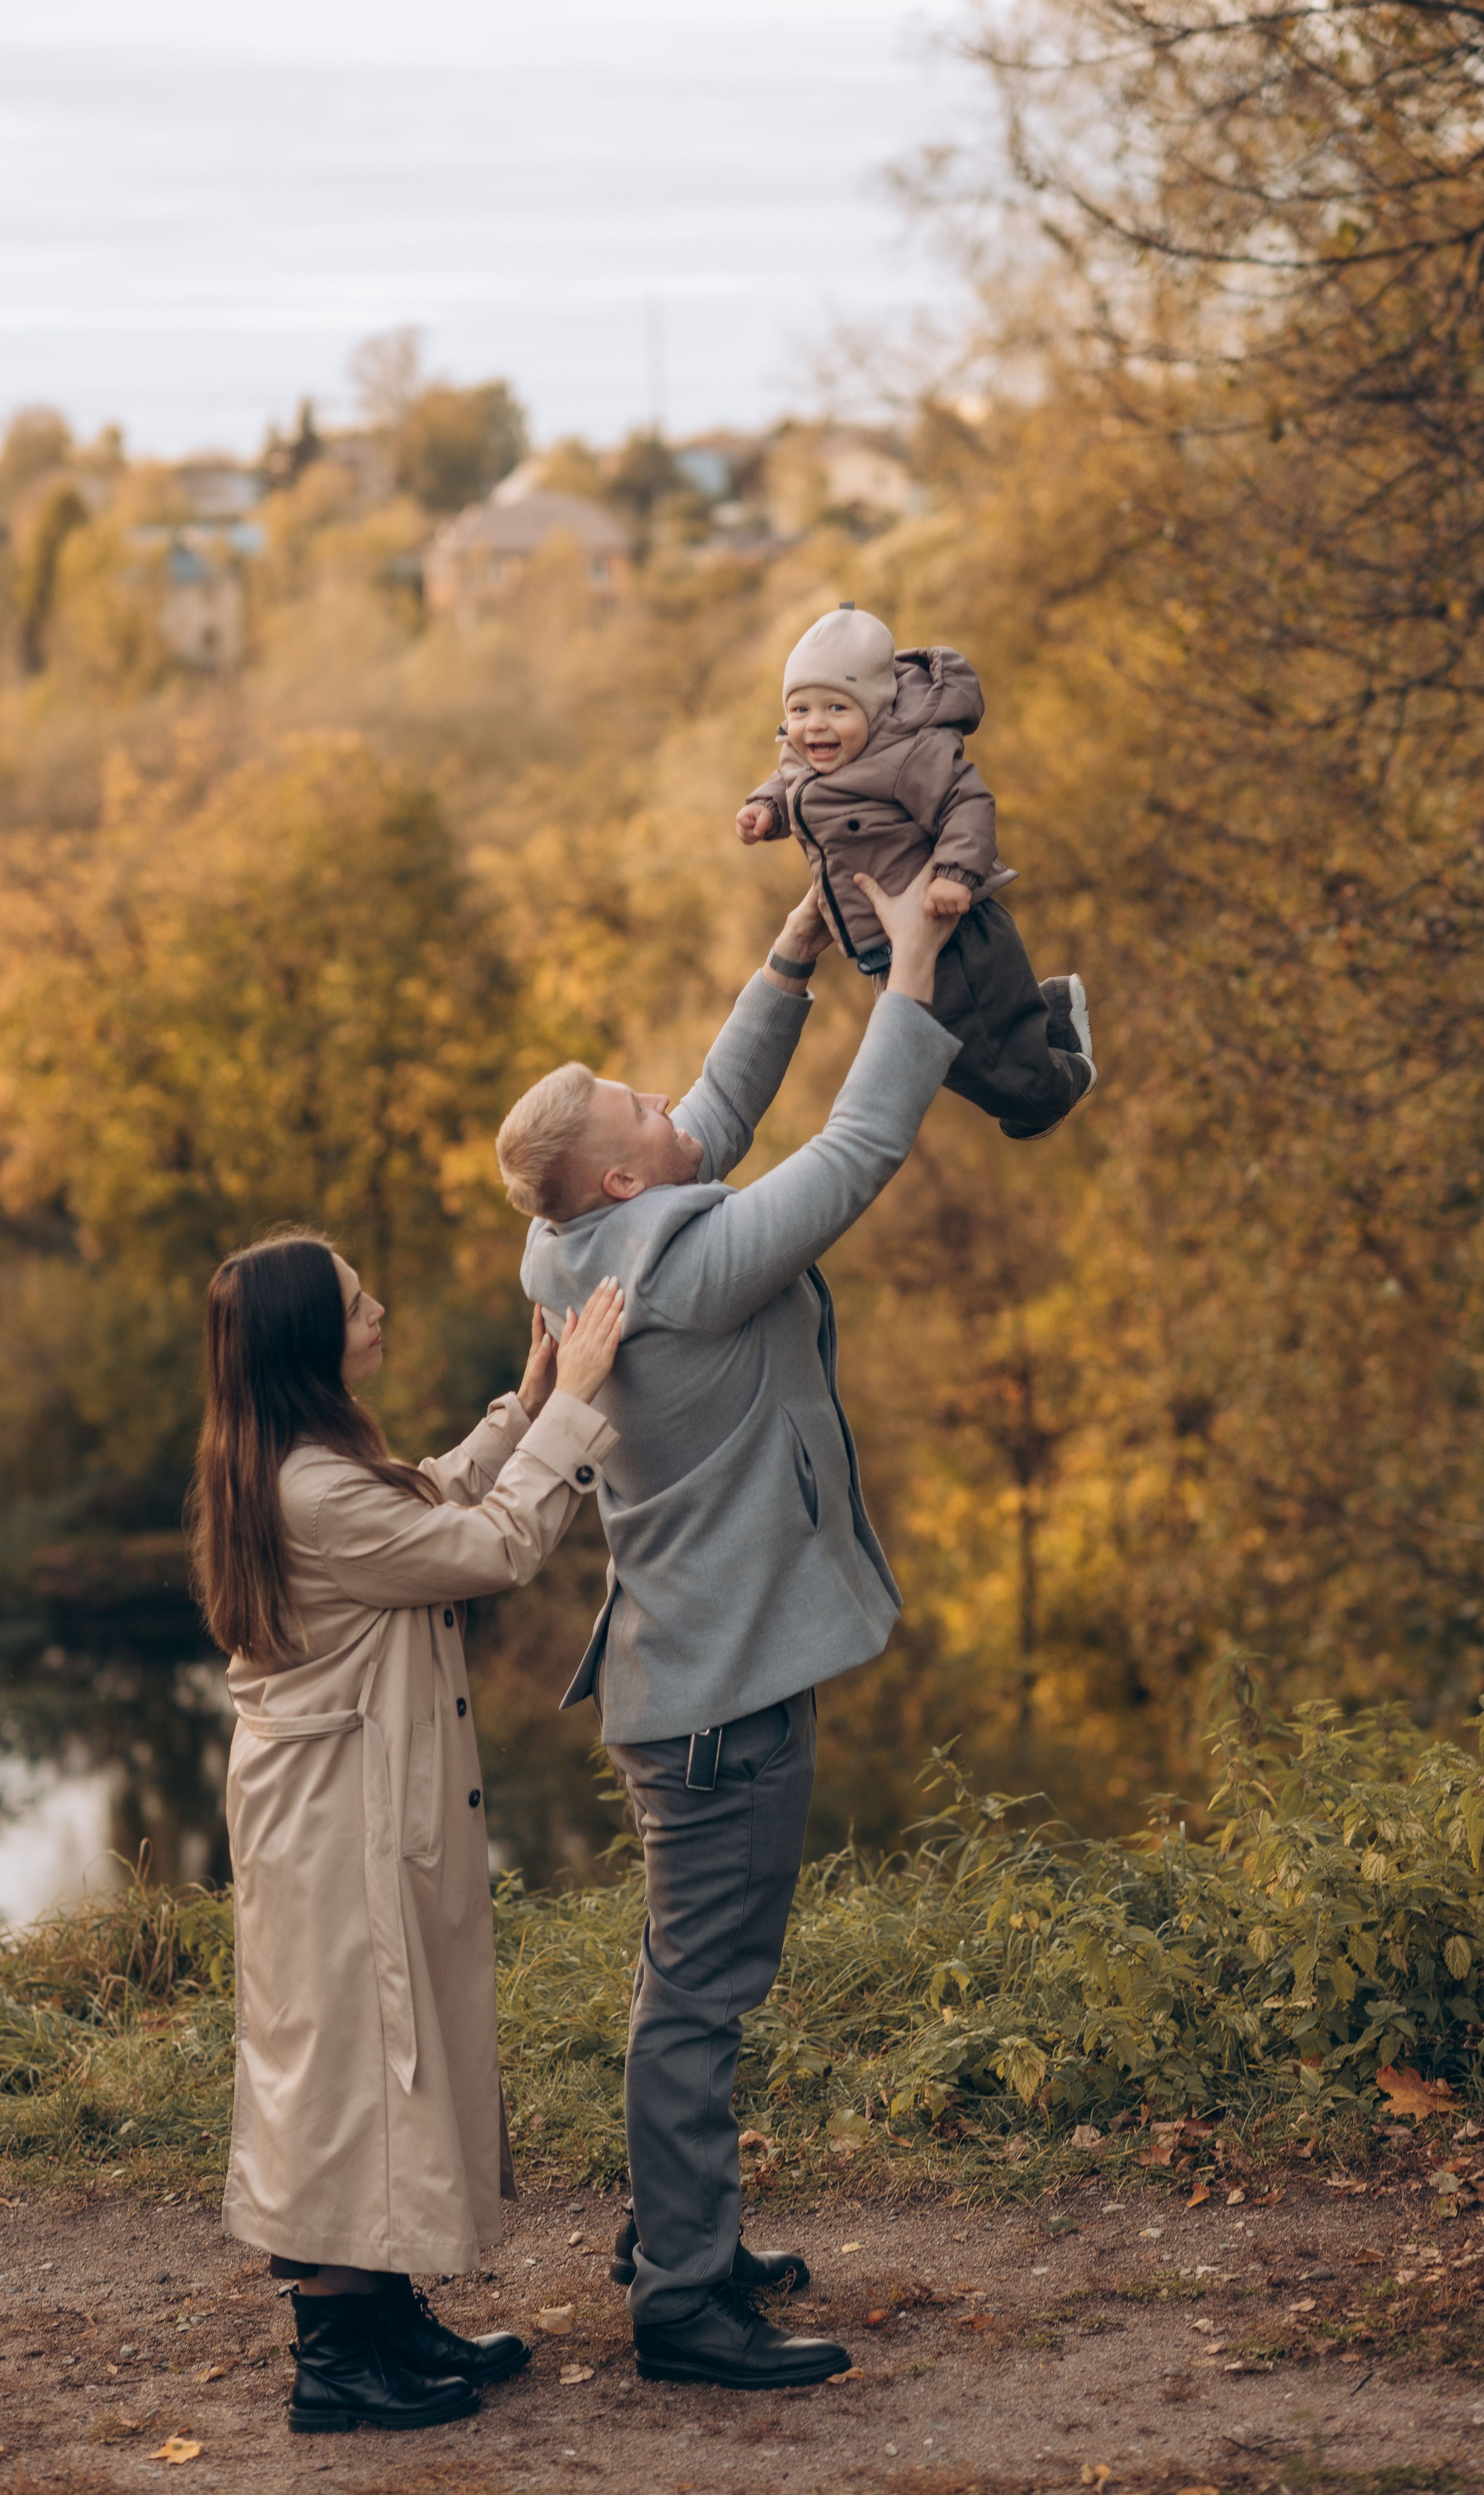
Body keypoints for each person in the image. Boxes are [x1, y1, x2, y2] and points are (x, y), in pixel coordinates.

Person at [492, 871, 960, 2390]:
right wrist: (922, 964)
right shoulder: (682, 1268)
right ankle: (684, 2301)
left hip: (689, 1679)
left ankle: (676, 2226)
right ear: (618, 1179)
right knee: (694, 2000)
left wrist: (787, 958)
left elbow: (705, 1124)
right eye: (633, 1100)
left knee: (679, 1983)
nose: (661, 1094)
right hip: (712, 1700)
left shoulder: (572, 1247)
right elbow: (858, 1145)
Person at [189, 1231, 624, 2435]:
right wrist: (575, 1414)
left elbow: (428, 1493)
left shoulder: (302, 1462)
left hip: (336, 1806)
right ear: (305, 1342)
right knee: (348, 2067)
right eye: (353, 1300)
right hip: (333, 1823)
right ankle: (336, 2361)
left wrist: (522, 1405)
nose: (377, 1307)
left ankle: (381, 2316)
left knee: (384, 2053)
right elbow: (486, 1547)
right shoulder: (311, 1489)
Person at [737, 601, 1098, 1140]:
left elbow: (966, 804)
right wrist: (766, 810)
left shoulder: (907, 754)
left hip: (949, 932)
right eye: (800, 709)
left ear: (878, 708)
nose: (815, 726)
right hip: (888, 948)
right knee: (943, 1056)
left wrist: (955, 872)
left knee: (985, 1069)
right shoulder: (808, 754)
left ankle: (1065, 1078)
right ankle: (1048, 1013)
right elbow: (791, 781)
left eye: (837, 708)